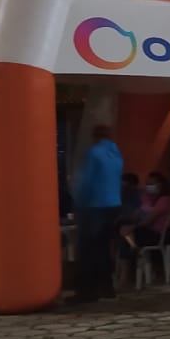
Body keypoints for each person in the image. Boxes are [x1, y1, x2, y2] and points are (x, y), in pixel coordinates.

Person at [71, 125, 123, 303]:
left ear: (95, 136)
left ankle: (87, 291)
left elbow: (87, 182)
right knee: (104, 248)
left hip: (94, 207)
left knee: (87, 249)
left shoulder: (94, 153)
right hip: (113, 206)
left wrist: (78, 203)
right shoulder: (117, 154)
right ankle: (107, 287)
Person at [118, 173, 170, 281]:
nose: (149, 186)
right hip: (144, 229)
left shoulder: (164, 200)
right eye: (147, 184)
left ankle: (124, 276)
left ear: (161, 185)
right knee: (122, 230)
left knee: (126, 235)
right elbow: (137, 214)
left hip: (156, 234)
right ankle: (131, 252)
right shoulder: (147, 198)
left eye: (152, 184)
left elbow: (148, 221)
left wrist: (132, 227)